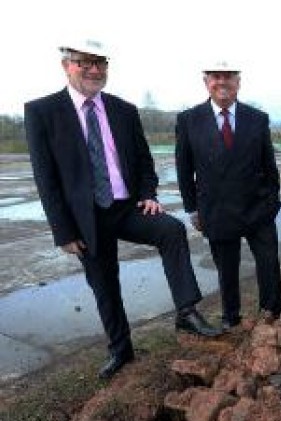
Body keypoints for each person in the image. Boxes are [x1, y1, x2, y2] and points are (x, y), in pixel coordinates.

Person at [24, 39, 220, 380]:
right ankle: (121, 351)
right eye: (85, 63)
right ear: (67, 65)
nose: (95, 70)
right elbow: (46, 178)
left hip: (127, 206)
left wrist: (148, 192)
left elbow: (144, 160)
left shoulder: (124, 109)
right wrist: (64, 231)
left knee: (171, 230)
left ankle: (186, 311)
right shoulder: (42, 112)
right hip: (86, 217)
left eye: (101, 63)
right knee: (104, 284)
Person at [176, 61, 281, 332]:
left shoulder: (257, 118)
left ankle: (271, 314)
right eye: (215, 76)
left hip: (258, 207)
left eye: (228, 76)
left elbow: (269, 166)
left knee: (269, 263)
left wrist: (272, 202)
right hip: (216, 209)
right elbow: (184, 168)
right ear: (206, 81)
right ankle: (231, 318)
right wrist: (192, 209)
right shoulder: (189, 120)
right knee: (226, 269)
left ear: (239, 82)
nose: (222, 82)